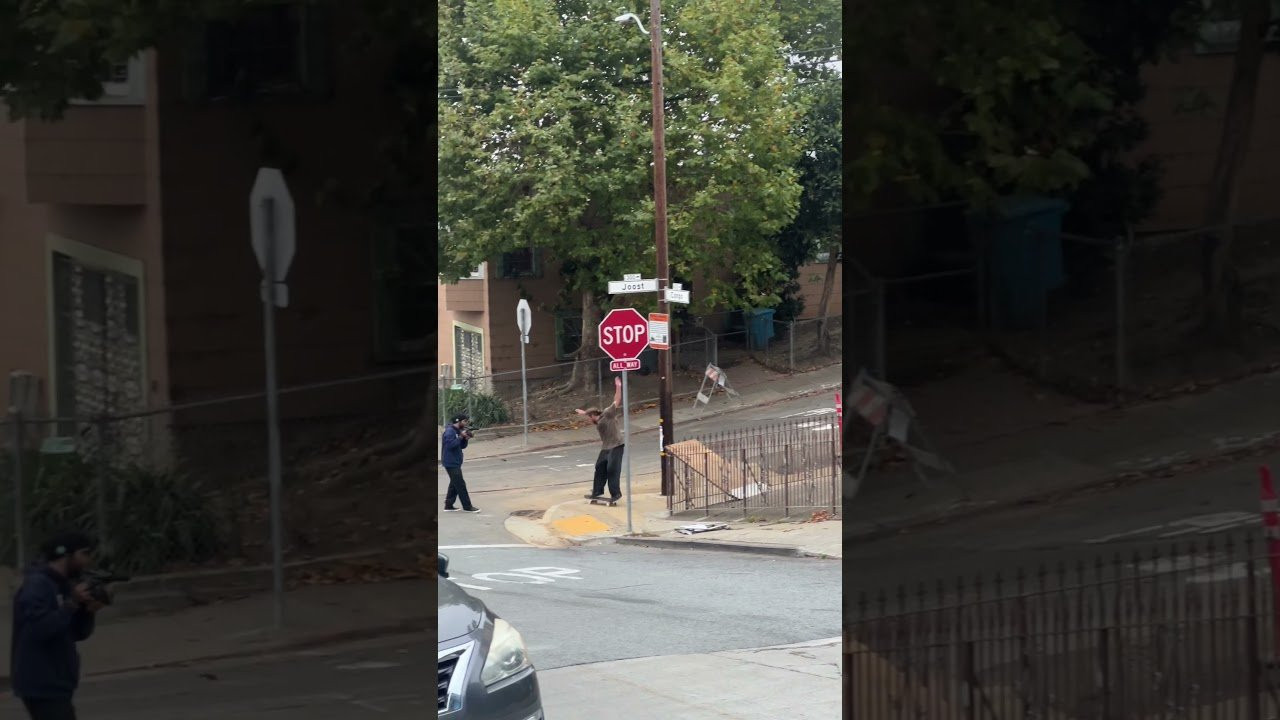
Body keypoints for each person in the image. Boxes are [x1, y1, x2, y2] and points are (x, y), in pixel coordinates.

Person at [10, 531, 104, 720]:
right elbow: (39, 629)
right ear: (66, 554)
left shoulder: (64, 585)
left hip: (58, 681)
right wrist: (72, 603)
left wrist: (88, 611)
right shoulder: (37, 585)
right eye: (84, 553)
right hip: (41, 682)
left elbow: (76, 633)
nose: (88, 560)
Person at [576, 376, 625, 503]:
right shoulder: (597, 420)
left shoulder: (608, 414)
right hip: (606, 447)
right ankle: (597, 491)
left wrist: (618, 387)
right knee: (600, 467)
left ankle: (616, 493)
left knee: (612, 469)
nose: (589, 420)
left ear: (593, 416)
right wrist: (583, 413)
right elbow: (589, 414)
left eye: (589, 417)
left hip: (616, 445)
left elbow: (617, 400)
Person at [442, 413, 479, 513]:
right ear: (458, 421)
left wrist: (465, 439)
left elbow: (461, 446)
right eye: (464, 421)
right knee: (460, 484)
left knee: (454, 483)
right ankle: (467, 506)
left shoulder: (457, 431)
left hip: (456, 461)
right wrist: (460, 437)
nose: (466, 423)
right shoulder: (450, 431)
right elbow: (450, 446)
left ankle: (448, 505)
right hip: (450, 462)